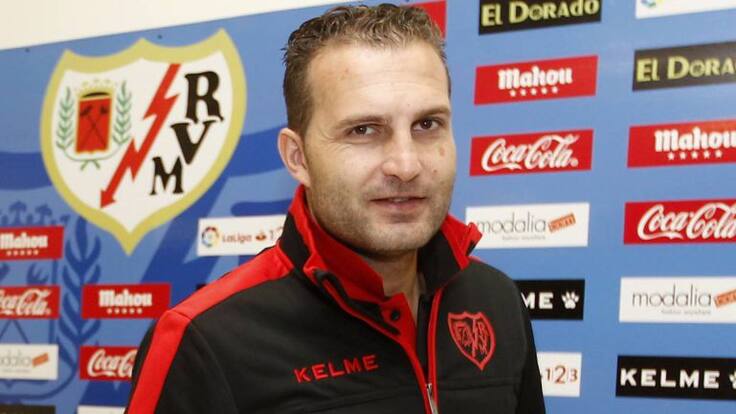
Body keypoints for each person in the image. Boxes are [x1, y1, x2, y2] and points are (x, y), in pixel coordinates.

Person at [126, 4, 545, 413]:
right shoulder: (205, 341)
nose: (406, 165)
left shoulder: (496, 300)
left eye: (427, 124)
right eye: (363, 130)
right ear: (298, 158)